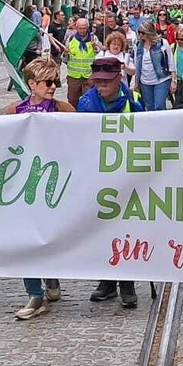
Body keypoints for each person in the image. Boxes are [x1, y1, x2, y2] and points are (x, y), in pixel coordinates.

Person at [75, 55, 143, 308]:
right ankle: (106, 282)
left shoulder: (134, 102)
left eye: (106, 82)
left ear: (118, 79)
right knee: (100, 230)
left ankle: (127, 283)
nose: (101, 86)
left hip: (126, 175)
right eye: (97, 81)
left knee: (125, 229)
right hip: (97, 175)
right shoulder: (86, 102)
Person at [10, 57, 73, 320]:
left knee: (50, 236)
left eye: (56, 81)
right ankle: (34, 293)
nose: (53, 87)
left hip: (55, 183)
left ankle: (52, 274)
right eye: (48, 82)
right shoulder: (14, 111)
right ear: (32, 84)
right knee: (26, 238)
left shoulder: (64, 109)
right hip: (25, 184)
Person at [134, 22, 173, 111]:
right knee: (150, 107)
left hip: (162, 79)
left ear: (149, 32)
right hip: (145, 81)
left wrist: (173, 80)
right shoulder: (138, 45)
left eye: (142, 32)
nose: (140, 34)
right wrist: (136, 82)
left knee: (159, 106)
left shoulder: (163, 43)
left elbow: (171, 61)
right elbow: (137, 65)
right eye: (139, 32)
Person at [64, 17, 101, 105]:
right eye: (80, 28)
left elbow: (100, 55)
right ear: (76, 28)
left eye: (84, 28)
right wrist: (65, 54)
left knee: (89, 99)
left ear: (88, 28)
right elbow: (64, 59)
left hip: (89, 75)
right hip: (74, 75)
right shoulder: (70, 38)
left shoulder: (94, 38)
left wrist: (95, 47)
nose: (82, 30)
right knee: (72, 100)